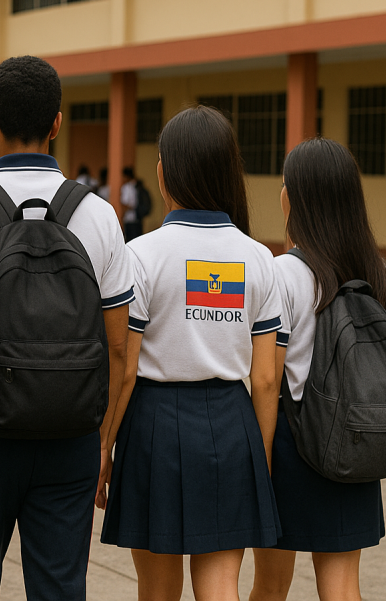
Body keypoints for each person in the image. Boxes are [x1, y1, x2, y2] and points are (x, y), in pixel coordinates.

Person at [0, 55, 134, 599]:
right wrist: (102, 443)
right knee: (60, 588)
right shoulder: (98, 215)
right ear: (57, 123)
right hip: (71, 434)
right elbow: (118, 348)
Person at [101, 106, 283, 601]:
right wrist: (260, 459)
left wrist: (103, 447)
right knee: (221, 586)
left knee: (157, 589)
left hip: (152, 427)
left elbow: (125, 368)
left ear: (163, 174)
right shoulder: (260, 259)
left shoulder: (141, 254)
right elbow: (266, 379)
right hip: (232, 425)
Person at [250, 137, 386, 601]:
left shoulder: (283, 273)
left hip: (290, 447)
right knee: (342, 588)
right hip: (354, 444)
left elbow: (267, 379)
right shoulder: (384, 276)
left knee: (269, 588)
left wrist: (260, 462)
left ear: (294, 197)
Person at [120, 167, 141, 241]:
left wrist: (122, 215)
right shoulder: (136, 186)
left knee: (129, 240)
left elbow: (125, 203)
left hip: (129, 218)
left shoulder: (126, 187)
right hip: (138, 216)